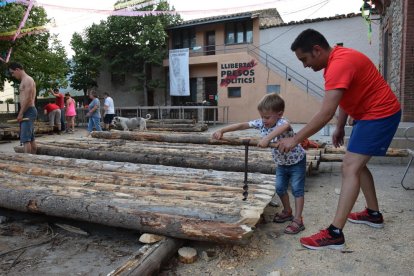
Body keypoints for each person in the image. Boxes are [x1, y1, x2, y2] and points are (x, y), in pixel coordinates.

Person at [278, 29, 401, 250]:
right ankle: (373, 214)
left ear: (317, 50)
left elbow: (325, 113)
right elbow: (343, 97)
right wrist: (340, 125)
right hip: (368, 115)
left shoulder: (338, 64)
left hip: (380, 114)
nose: (304, 65)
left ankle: (335, 233)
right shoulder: (335, 61)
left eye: (304, 59)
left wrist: (295, 139)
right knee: (357, 165)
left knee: (350, 167)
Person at [212, 93, 307, 234]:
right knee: (280, 188)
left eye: (267, 117)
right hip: (281, 163)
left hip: (297, 162)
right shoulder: (261, 123)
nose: (264, 120)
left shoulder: (282, 123)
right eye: (262, 116)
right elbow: (242, 125)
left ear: (279, 114)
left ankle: (298, 220)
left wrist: (267, 138)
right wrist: (222, 130)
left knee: (297, 189)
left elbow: (285, 126)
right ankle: (287, 211)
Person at [8, 62, 37, 154]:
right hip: (27, 110)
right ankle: (34, 158)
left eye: (12, 72)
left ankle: (27, 161)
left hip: (29, 111)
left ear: (17, 69)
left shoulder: (28, 80)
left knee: (25, 139)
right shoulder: (25, 80)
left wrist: (21, 113)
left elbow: (29, 98)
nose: (12, 75)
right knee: (30, 138)